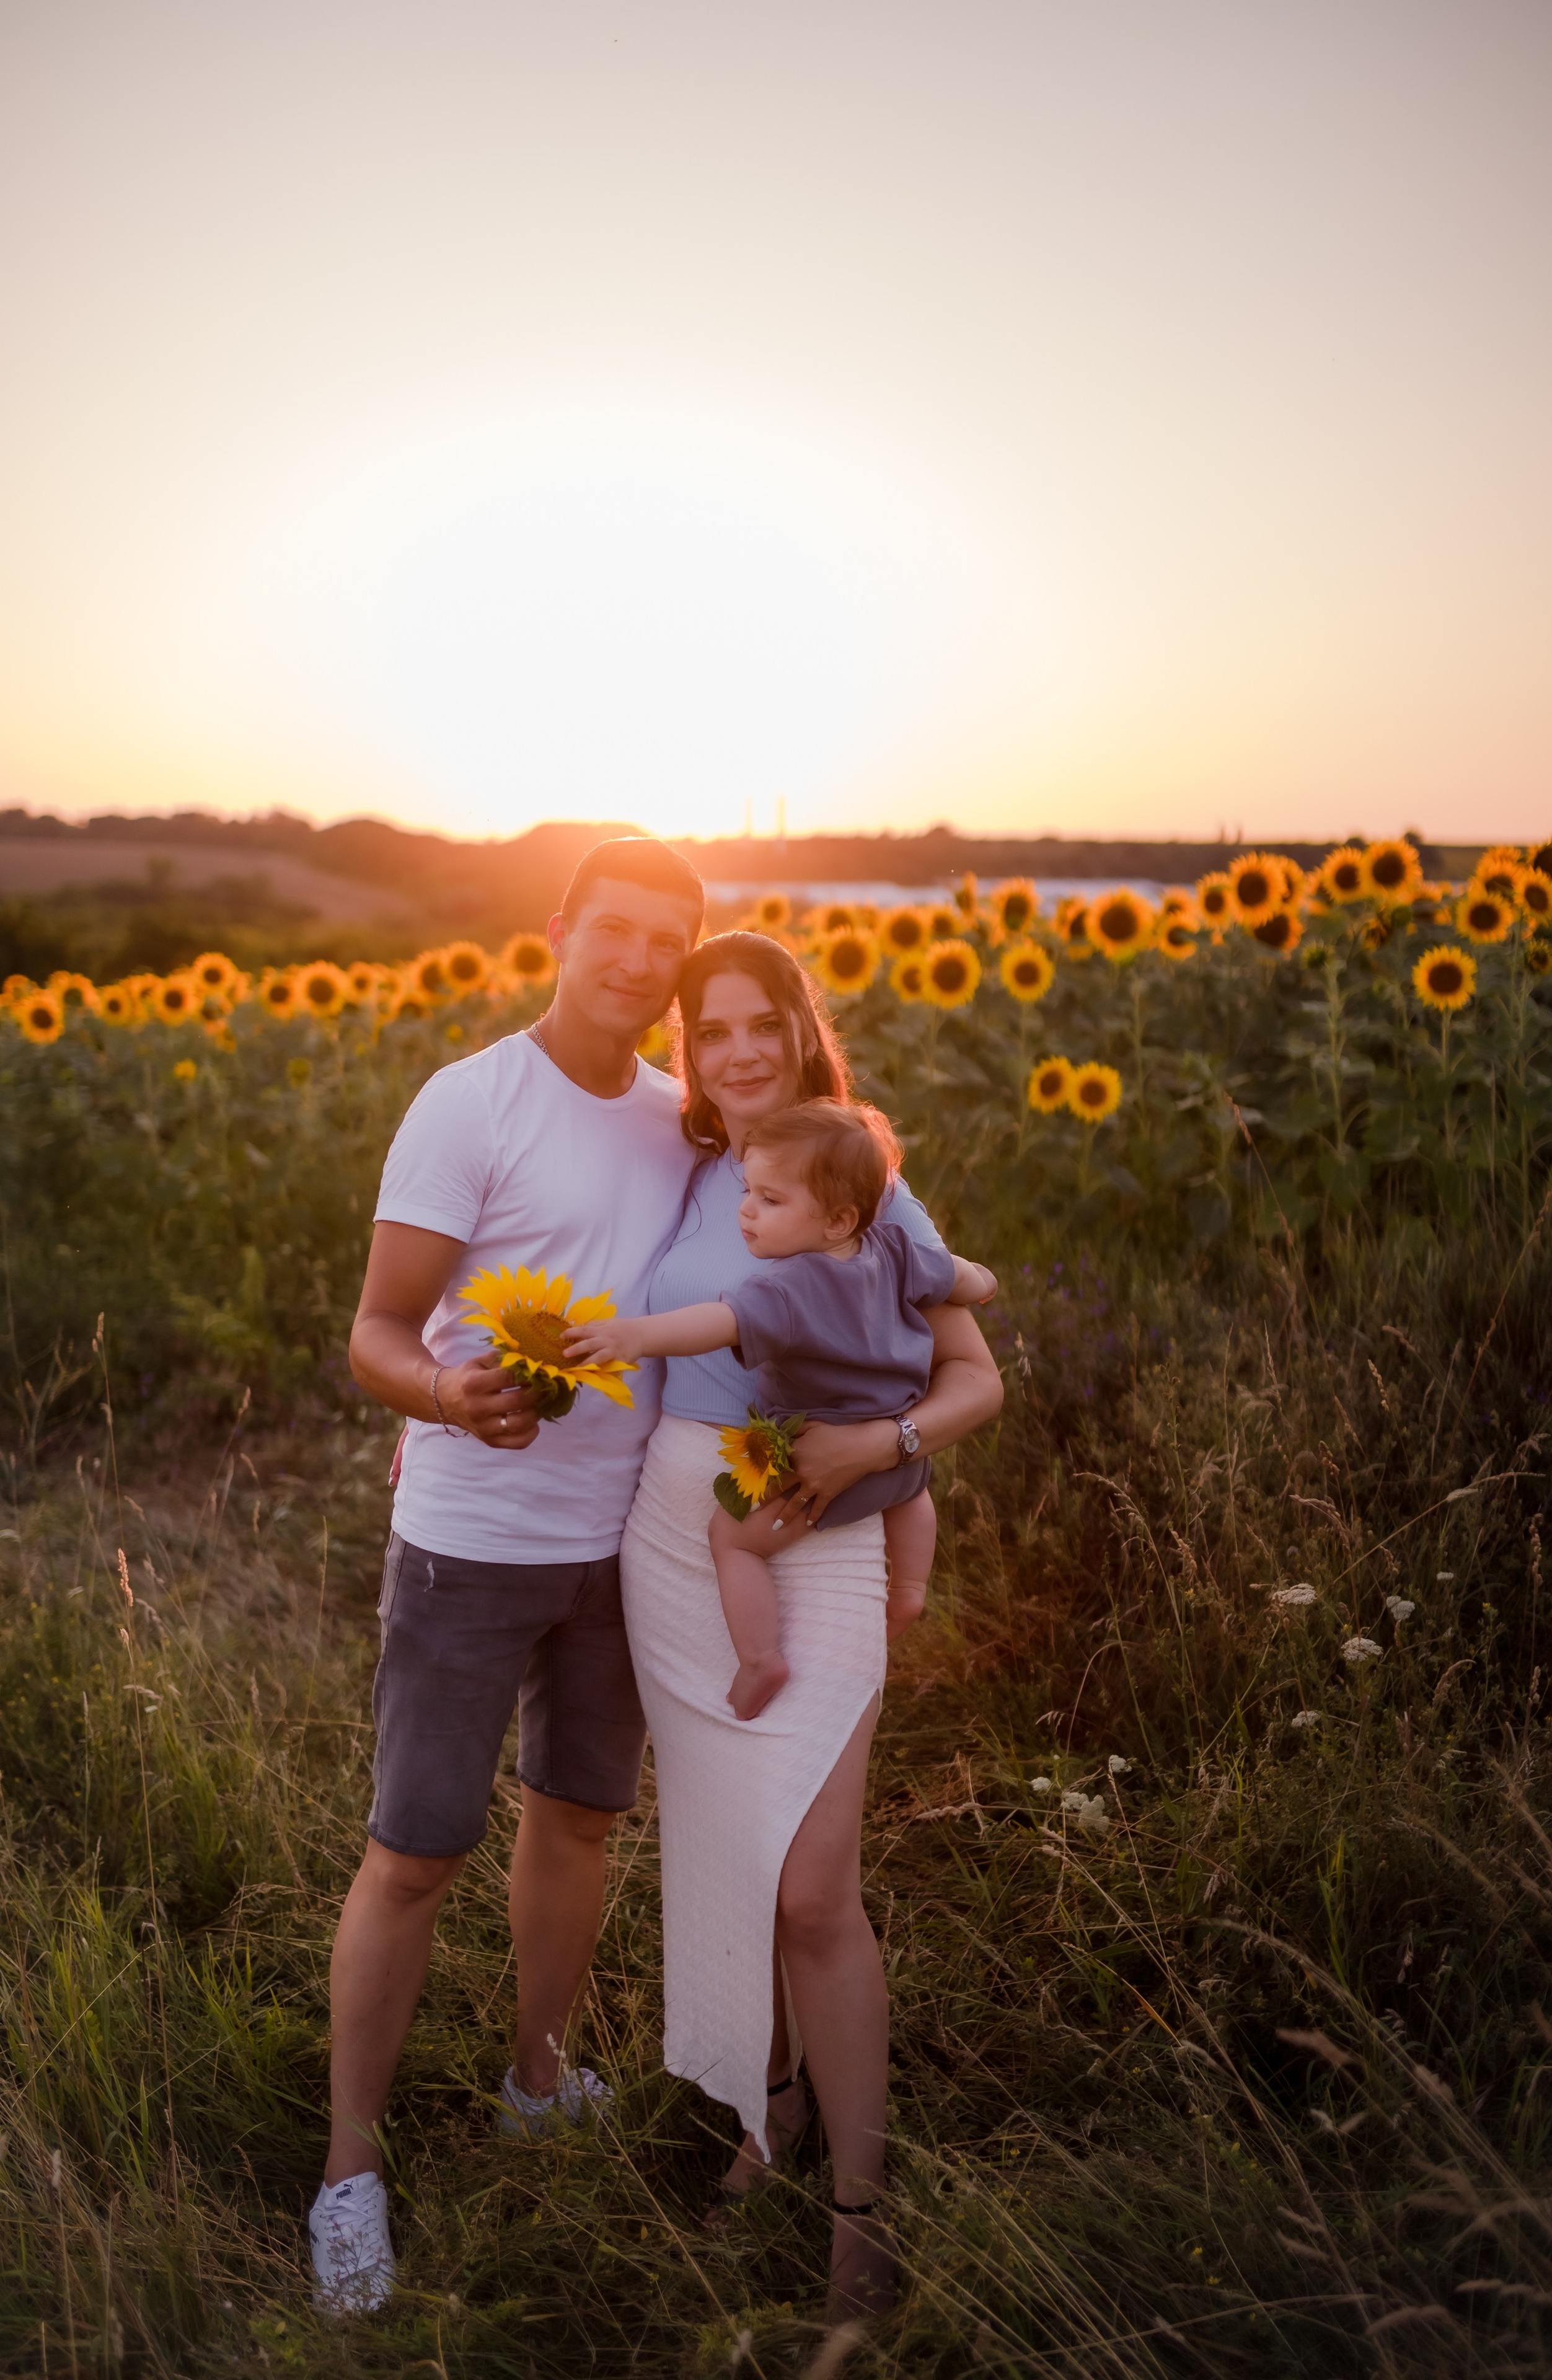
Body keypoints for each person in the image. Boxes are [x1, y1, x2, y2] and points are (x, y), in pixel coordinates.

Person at [307, 837, 705, 2312]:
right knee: (416, 1850)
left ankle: (535, 2076)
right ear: (559, 931)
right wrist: (440, 1396)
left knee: (580, 1826)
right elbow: (377, 1329)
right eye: (613, 928)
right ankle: (349, 2171)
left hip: (623, 1545)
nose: (635, 959)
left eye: (665, 939)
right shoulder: (469, 1101)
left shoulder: (685, 1122)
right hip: (471, 1539)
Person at [616, 933, 1003, 2320]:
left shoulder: (859, 1181)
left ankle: (858, 2204)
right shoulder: (675, 1170)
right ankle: (760, 2119)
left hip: (821, 1529)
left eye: (757, 1023)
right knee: (727, 1859)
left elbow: (975, 1375)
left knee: (812, 1888)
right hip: (681, 1540)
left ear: (796, 1027)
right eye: (707, 1029)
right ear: (689, 1047)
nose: (734, 1050)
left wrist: (872, 1446)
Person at [565, 1098, 997, 1721]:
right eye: (749, 1192)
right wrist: (986, 1282)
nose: (746, 1210)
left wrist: (635, 1336)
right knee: (913, 1499)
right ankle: (907, 1594)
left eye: (770, 1201)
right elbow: (959, 1277)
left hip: (828, 1462)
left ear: (835, 1219)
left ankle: (760, 1657)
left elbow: (717, 1321)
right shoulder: (895, 1249)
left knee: (731, 1540)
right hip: (903, 1457)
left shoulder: (788, 1289)